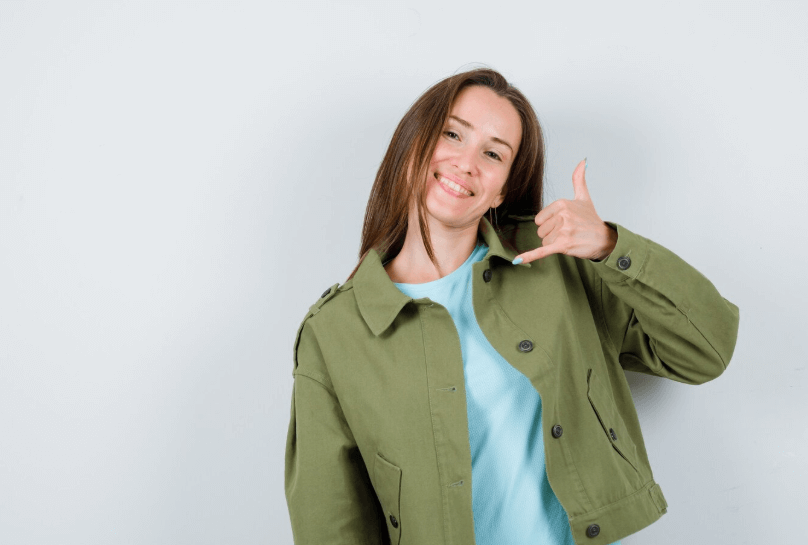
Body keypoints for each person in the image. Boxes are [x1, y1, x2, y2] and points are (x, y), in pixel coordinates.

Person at [284, 68, 740, 545]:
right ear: (414, 143)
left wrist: (609, 245)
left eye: (493, 153)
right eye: (453, 134)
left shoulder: (554, 264)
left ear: (502, 188)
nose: (466, 162)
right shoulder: (333, 333)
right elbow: (330, 525)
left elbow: (707, 350)